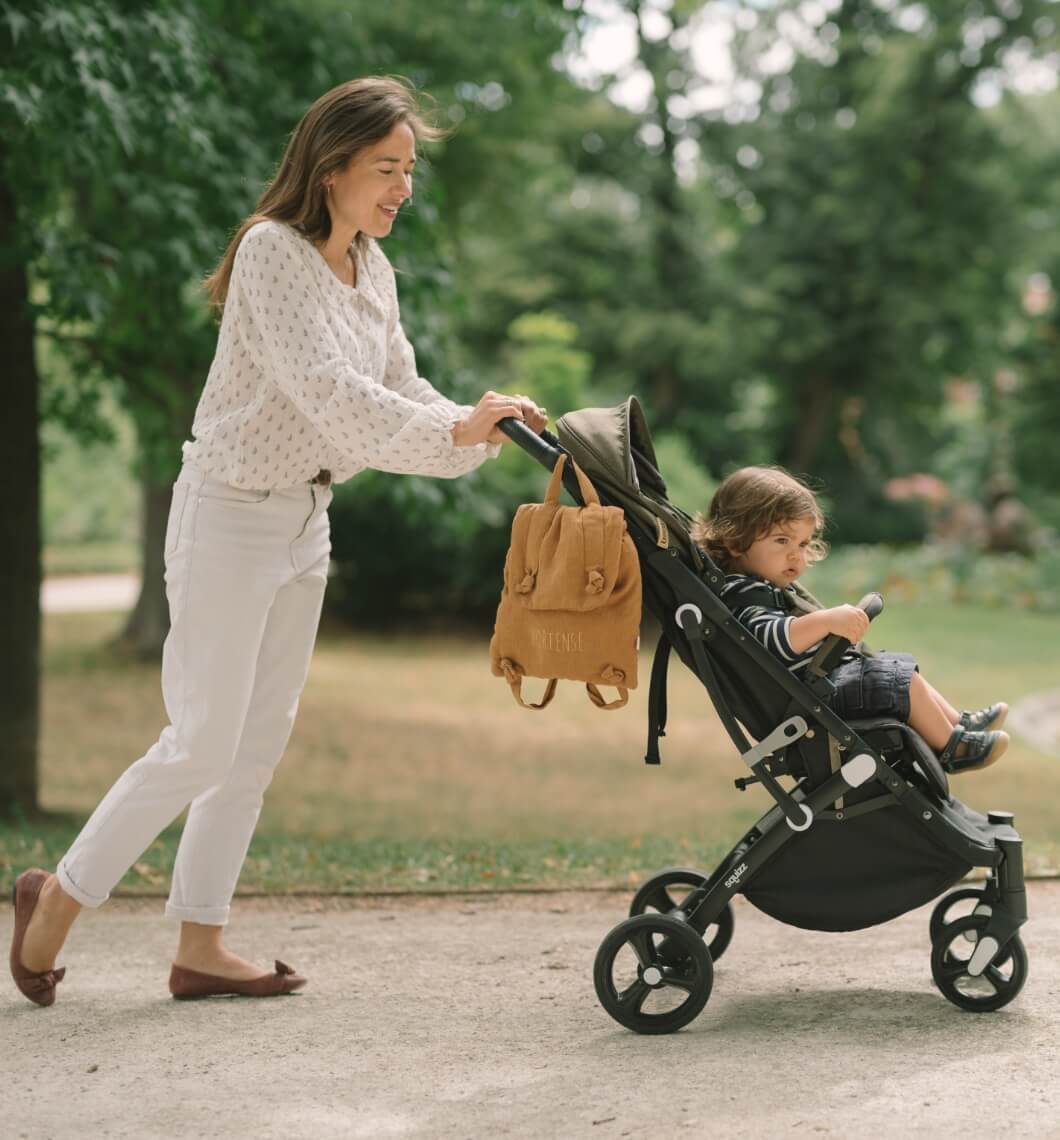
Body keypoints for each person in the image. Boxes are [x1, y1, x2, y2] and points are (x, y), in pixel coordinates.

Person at [9, 76, 547, 1008]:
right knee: (200, 744)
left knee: (253, 749)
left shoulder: (371, 267)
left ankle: (202, 945)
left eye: (408, 171)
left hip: (306, 521)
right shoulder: (272, 252)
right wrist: (457, 433)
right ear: (330, 166)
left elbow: (401, 386)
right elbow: (330, 392)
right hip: (227, 513)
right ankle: (57, 898)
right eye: (386, 168)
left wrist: (478, 421)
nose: (402, 190)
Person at [691, 466, 1009, 774]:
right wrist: (825, 621)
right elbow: (770, 640)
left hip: (820, 688)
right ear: (734, 541)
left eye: (802, 544)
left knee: (897, 667)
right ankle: (954, 749)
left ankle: (958, 723)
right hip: (813, 701)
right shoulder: (743, 592)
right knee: (898, 680)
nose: (795, 555)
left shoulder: (755, 585)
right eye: (781, 541)